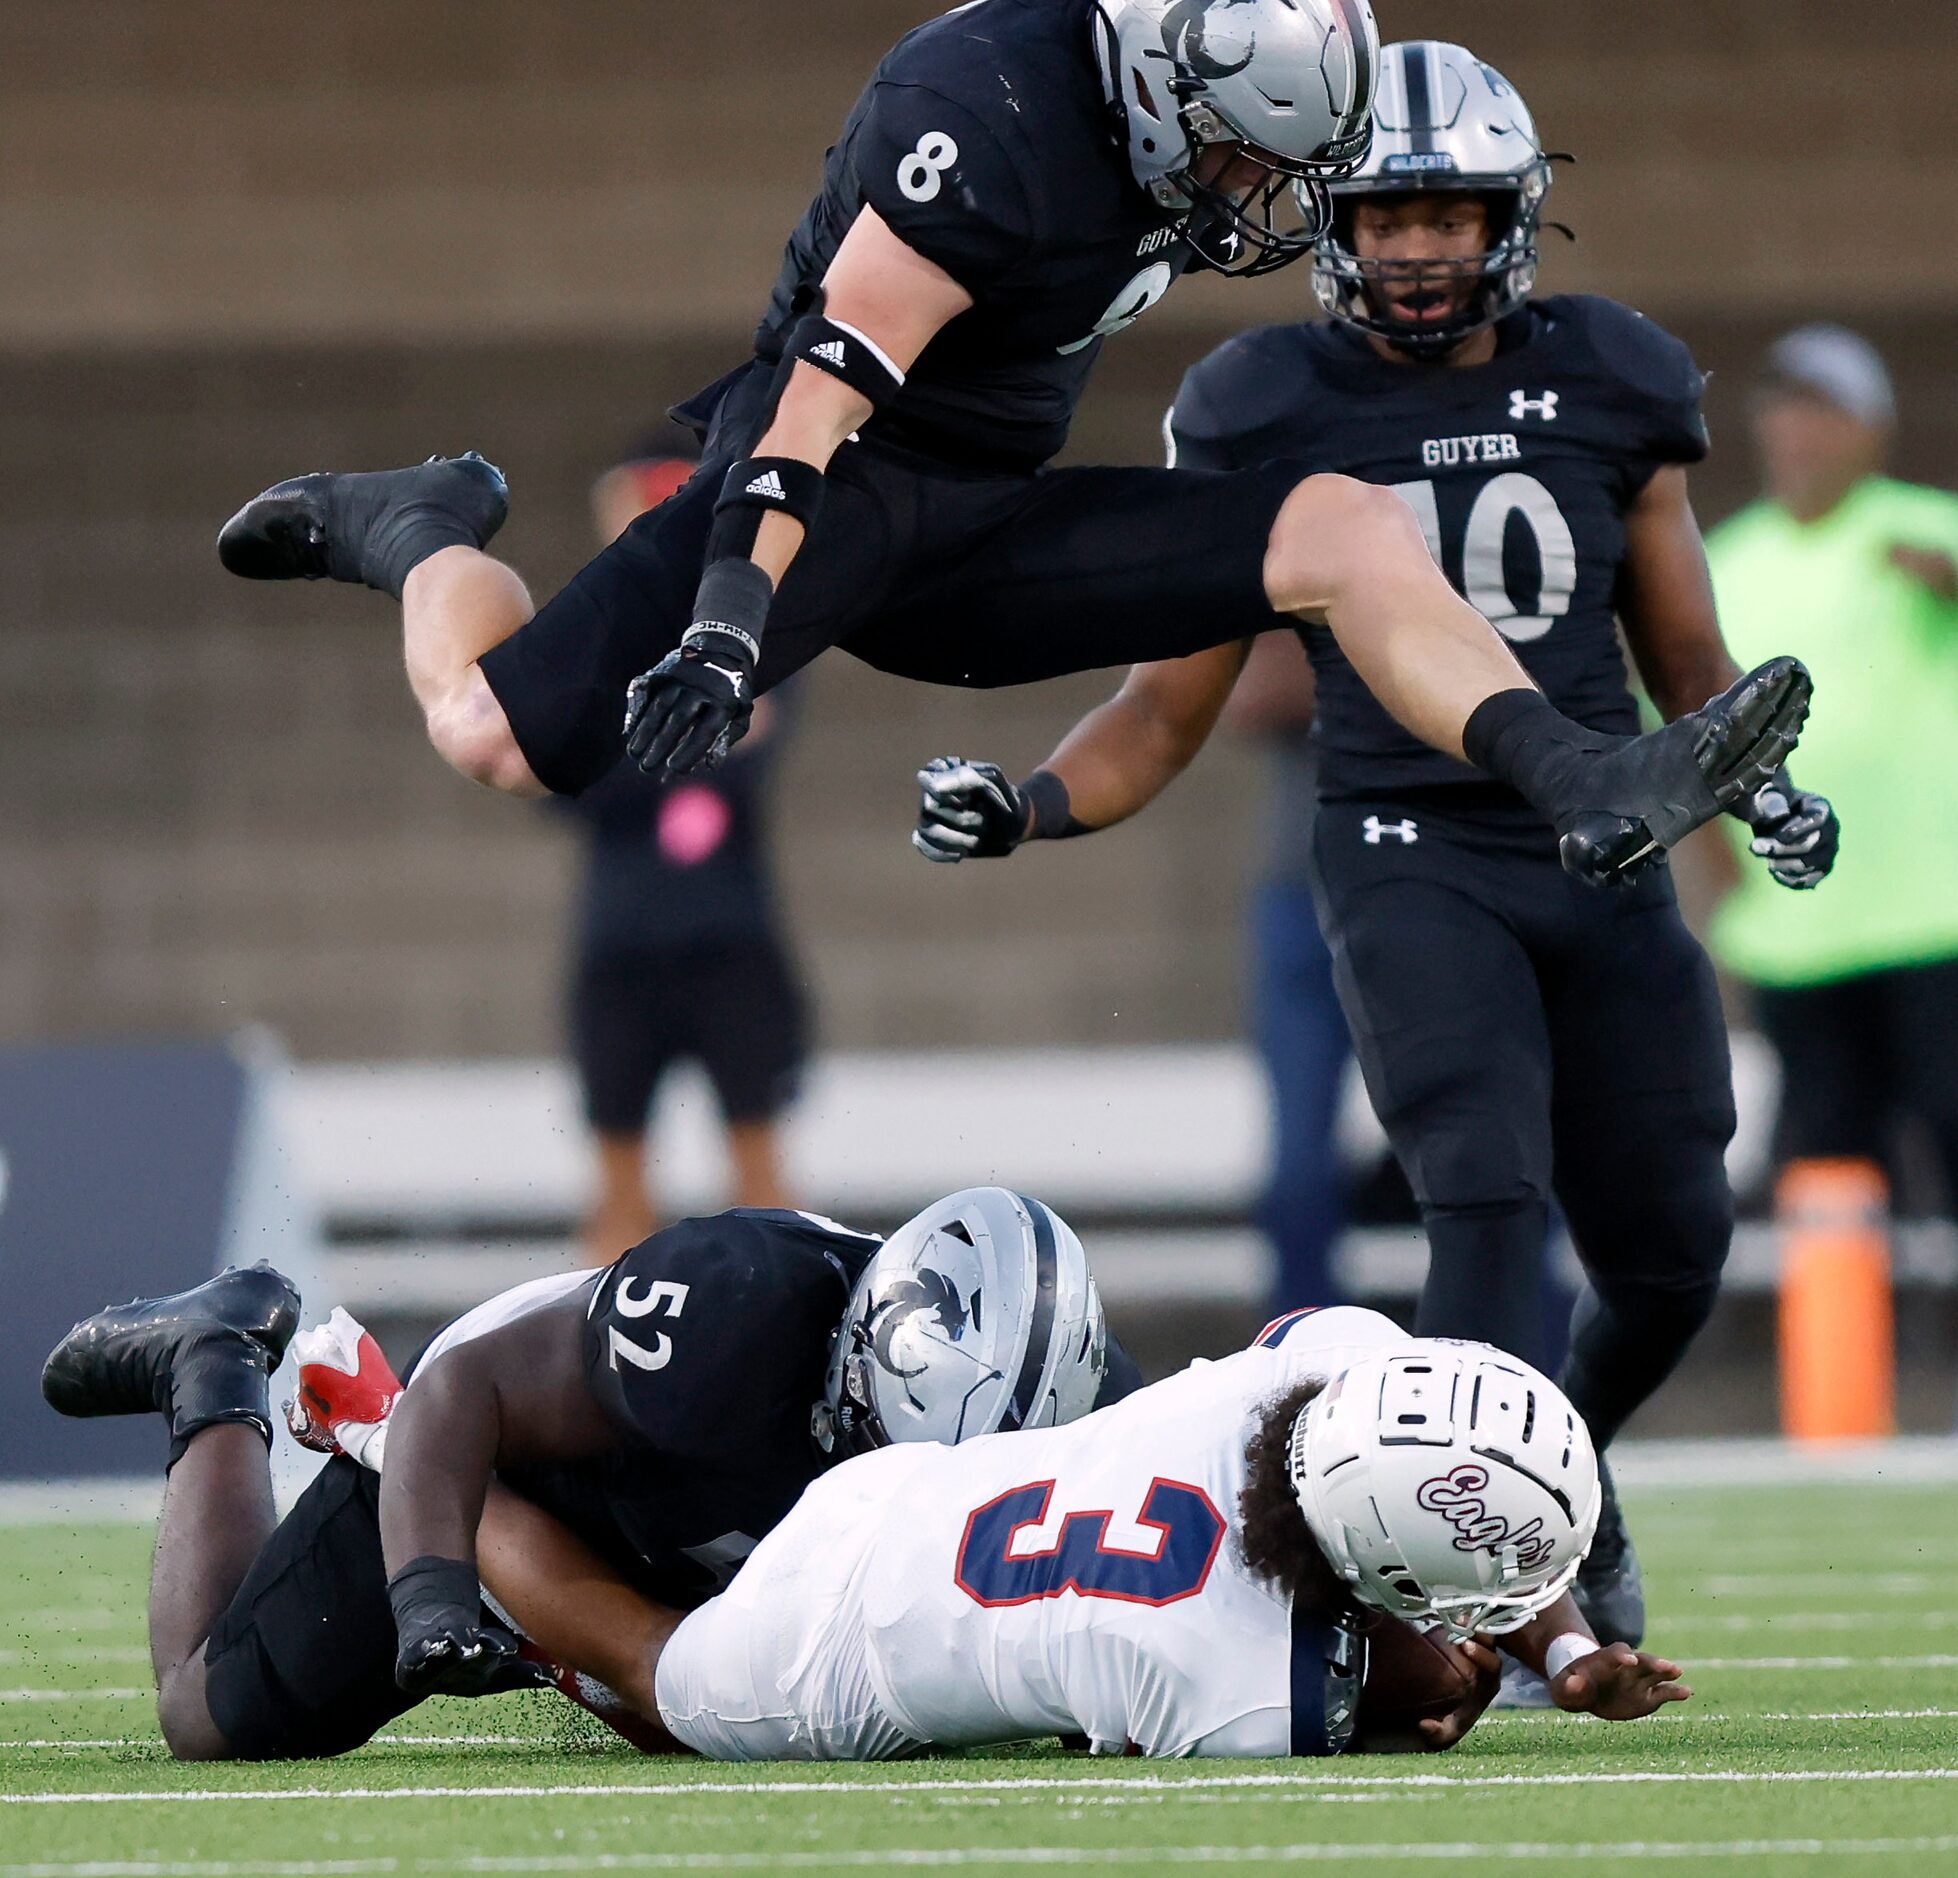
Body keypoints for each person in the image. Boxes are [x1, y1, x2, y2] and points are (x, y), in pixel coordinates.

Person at [907, 42, 1839, 1653]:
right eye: (1382, 213)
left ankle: (1564, 1472)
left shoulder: (1615, 375)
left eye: (1444, 212)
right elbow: (1163, 703)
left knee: (1675, 1251)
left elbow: (1688, 666)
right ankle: (1483, 1598)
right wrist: (1034, 800)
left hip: (1599, 836)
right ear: (1331, 224)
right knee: (1481, 1194)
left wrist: (1752, 786)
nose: (1412, 245)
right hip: (1407, 846)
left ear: (1513, 217)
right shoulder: (1263, 406)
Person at [217, 0, 1809, 902]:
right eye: (1245, 150)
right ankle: (421, 526)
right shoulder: (977, 120)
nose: (1255, 190)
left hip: (989, 516)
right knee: (492, 737)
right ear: (1156, 86)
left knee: (1339, 523)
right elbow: (817, 403)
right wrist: (723, 624)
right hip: (840, 489)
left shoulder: (1173, 75)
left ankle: (1579, 776)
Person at [41, 1188, 1139, 1760]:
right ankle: (215, 1356)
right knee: (209, 1716)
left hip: (701, 1550)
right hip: (504, 1459)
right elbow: (463, 1390)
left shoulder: (1084, 1422)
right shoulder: (737, 1310)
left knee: (716, 1717)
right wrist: (428, 1592)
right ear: (857, 1347)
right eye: (870, 1437)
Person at [482, 1309, 1693, 1761]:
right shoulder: (1238, 1689)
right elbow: (1414, 1676)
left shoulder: (1334, 1367)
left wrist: (1563, 1651)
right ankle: (402, 1456)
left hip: (904, 1489)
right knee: (645, 1676)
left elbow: (1396, 1489)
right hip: (842, 1653)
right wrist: (1469, 1678)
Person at [1704, 326, 1958, 1212]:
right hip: (1800, 932)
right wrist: (1722, 873)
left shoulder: (1924, 527)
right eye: (1786, 411)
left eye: (1825, 412)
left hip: (1937, 922)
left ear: (1872, 429)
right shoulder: (1726, 563)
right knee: (1827, 1156)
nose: (1801, 433)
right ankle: (1839, 1354)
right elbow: (1680, 733)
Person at [562, 436, 810, 1262]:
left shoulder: (752, 628)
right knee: (619, 1190)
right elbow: (564, 781)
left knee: (763, 1174)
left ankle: (787, 1332)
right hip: (620, 944)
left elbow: (754, 745)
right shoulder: (592, 640)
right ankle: (602, 1366)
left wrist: (632, 754)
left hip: (730, 938)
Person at [1224, 633, 1353, 1313]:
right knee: (1299, 1160)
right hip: (1303, 893)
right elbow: (1253, 696)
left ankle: (1527, 1362)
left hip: (1436, 889)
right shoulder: (1296, 544)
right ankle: (1304, 1357)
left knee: (1495, 1157)